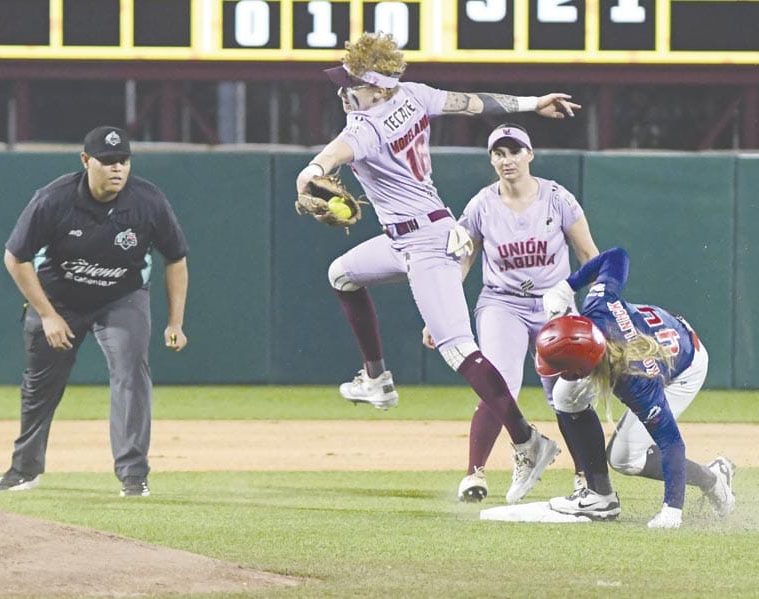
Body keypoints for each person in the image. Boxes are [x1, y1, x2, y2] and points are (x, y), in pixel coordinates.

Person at [295, 32, 582, 503]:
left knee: (458, 352)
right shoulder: (415, 95)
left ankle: (528, 440)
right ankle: (377, 378)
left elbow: (320, 165)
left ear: (376, 87)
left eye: (351, 84)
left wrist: (309, 178)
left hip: (426, 244)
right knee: (341, 274)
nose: (343, 91)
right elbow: (479, 103)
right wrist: (533, 103)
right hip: (412, 235)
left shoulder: (364, 128)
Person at [0, 125, 189, 497]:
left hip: (122, 297)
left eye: (124, 161)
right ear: (86, 161)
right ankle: (25, 468)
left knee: (131, 371)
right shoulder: (53, 199)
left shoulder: (148, 201)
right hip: (58, 300)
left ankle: (134, 475)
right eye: (108, 161)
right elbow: (15, 257)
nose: (117, 168)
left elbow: (176, 258)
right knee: (40, 387)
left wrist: (176, 321)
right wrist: (47, 314)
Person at [422, 123, 600, 503]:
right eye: (499, 154)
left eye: (514, 151)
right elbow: (462, 260)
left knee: (566, 393)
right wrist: (440, 311)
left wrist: (601, 304)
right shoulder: (481, 205)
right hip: (502, 302)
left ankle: (586, 479)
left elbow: (588, 254)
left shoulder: (557, 198)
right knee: (497, 381)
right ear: (492, 159)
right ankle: (475, 472)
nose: (507, 160)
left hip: (555, 303)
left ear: (529, 154)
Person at [535, 247, 736, 527]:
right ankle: (599, 496)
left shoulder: (636, 380)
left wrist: (672, 509)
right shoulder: (597, 303)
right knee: (564, 396)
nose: (555, 371)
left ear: (582, 369)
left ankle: (713, 478)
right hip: (650, 332)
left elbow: (671, 442)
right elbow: (616, 255)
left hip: (685, 365)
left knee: (624, 459)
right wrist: (566, 287)